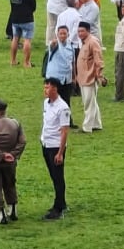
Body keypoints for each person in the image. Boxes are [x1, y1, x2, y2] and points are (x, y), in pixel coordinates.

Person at [40, 77, 71, 220]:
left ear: (55, 89)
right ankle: (61, 202)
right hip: (46, 144)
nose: (45, 90)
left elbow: (64, 131)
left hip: (55, 146)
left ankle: (58, 209)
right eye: (45, 87)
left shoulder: (62, 107)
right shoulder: (46, 103)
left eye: (48, 87)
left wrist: (60, 152)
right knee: (53, 176)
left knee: (58, 177)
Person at [73, 22, 105, 133]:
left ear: (88, 31)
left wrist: (100, 75)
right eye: (79, 31)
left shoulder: (93, 42)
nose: (80, 33)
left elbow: (98, 60)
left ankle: (87, 127)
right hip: (83, 77)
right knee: (92, 102)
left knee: (88, 103)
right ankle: (96, 124)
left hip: (89, 77)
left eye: (82, 31)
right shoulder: (84, 42)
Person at [8, 0, 36, 68]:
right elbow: (33, 5)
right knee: (27, 40)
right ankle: (26, 62)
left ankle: (13, 60)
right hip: (27, 18)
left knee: (15, 38)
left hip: (15, 18)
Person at [42, 25, 76, 104]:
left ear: (68, 34)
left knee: (66, 102)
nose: (63, 35)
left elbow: (72, 63)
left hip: (66, 79)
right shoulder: (55, 45)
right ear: (57, 34)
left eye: (64, 33)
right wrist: (54, 42)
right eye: (60, 34)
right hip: (54, 79)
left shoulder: (71, 47)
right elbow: (52, 45)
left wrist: (74, 78)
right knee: (52, 101)